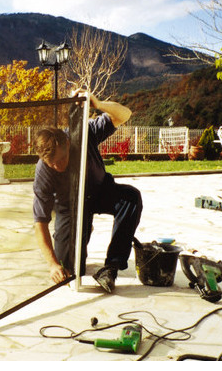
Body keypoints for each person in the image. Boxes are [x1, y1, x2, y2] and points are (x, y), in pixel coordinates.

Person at [32, 91, 142, 293]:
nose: (58, 167)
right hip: (69, 207)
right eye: (52, 164)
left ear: (68, 143)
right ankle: (80, 230)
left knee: (131, 197)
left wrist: (98, 104)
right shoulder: (44, 171)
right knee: (71, 270)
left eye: (61, 160)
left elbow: (124, 115)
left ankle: (112, 265)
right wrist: (52, 264)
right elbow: (40, 222)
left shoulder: (83, 135)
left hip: (99, 191)